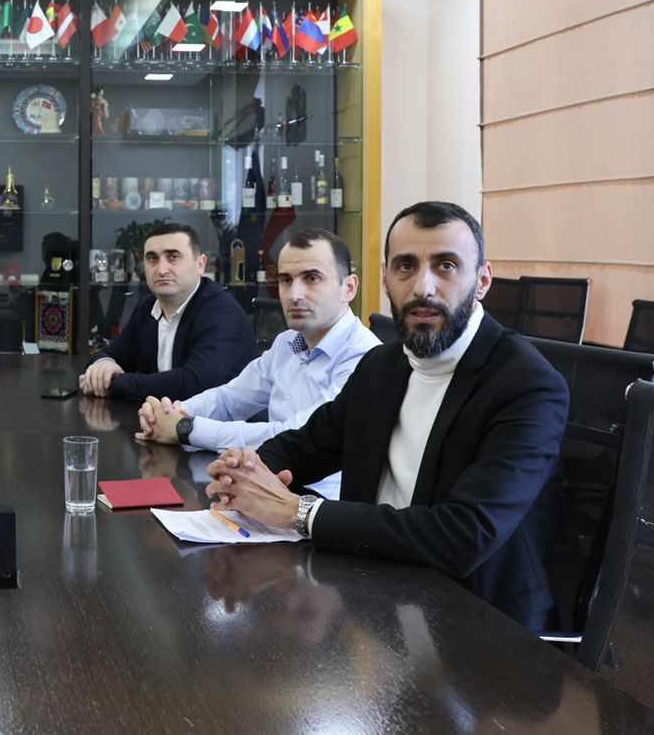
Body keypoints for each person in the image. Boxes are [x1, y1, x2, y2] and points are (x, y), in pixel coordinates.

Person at [205, 201, 568, 632]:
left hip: (477, 623)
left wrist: (298, 512)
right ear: (385, 279)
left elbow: (463, 534)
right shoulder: (382, 365)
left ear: (482, 281)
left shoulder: (527, 385)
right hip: (371, 599)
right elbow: (309, 444)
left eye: (446, 266)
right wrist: (247, 470)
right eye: (405, 266)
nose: (423, 287)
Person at [137, 229, 379, 499]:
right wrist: (170, 414)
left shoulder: (364, 357)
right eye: (286, 280)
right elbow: (229, 398)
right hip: (269, 486)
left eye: (312, 278)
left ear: (349, 288)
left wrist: (185, 428)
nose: (294, 294)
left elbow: (291, 435)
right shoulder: (288, 342)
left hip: (324, 502)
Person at [79, 223, 251, 403]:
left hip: (222, 421)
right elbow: (110, 353)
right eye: (152, 258)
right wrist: (103, 365)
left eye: (173, 257)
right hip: (161, 417)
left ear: (200, 264)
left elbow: (193, 384)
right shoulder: (148, 307)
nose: (161, 270)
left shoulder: (222, 312)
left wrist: (111, 383)